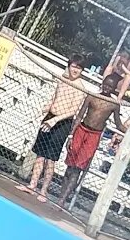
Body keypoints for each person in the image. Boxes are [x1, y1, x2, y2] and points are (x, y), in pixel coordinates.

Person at [20, 54, 87, 203]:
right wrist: (42, 111)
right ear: (69, 65)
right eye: (74, 66)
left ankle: (43, 191)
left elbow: (73, 111)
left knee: (50, 159)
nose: (75, 70)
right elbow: (54, 98)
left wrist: (55, 120)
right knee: (39, 154)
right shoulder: (63, 80)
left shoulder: (80, 87)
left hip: (62, 123)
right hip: (49, 117)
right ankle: (32, 185)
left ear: (82, 70)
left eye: (79, 67)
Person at [57, 74, 128, 210]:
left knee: (78, 167)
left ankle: (63, 200)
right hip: (81, 130)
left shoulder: (114, 104)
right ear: (102, 83)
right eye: (106, 85)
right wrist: (71, 135)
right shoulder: (91, 96)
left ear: (114, 89)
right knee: (70, 165)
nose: (107, 88)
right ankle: (61, 195)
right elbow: (80, 116)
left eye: (110, 87)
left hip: (94, 135)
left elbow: (119, 124)